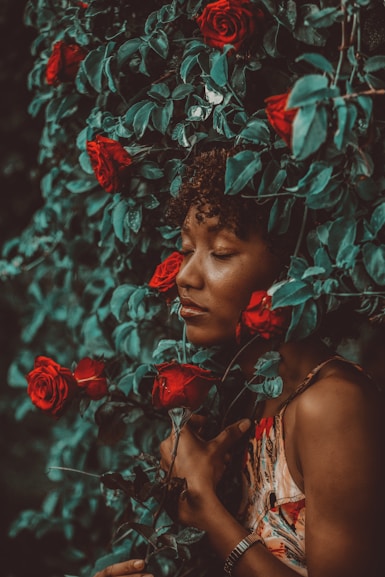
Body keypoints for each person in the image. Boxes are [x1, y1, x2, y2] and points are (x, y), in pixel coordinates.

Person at [94, 148, 384, 577]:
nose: (185, 276)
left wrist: (205, 506)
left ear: (291, 267)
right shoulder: (244, 406)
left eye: (222, 252)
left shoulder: (332, 405)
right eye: (187, 249)